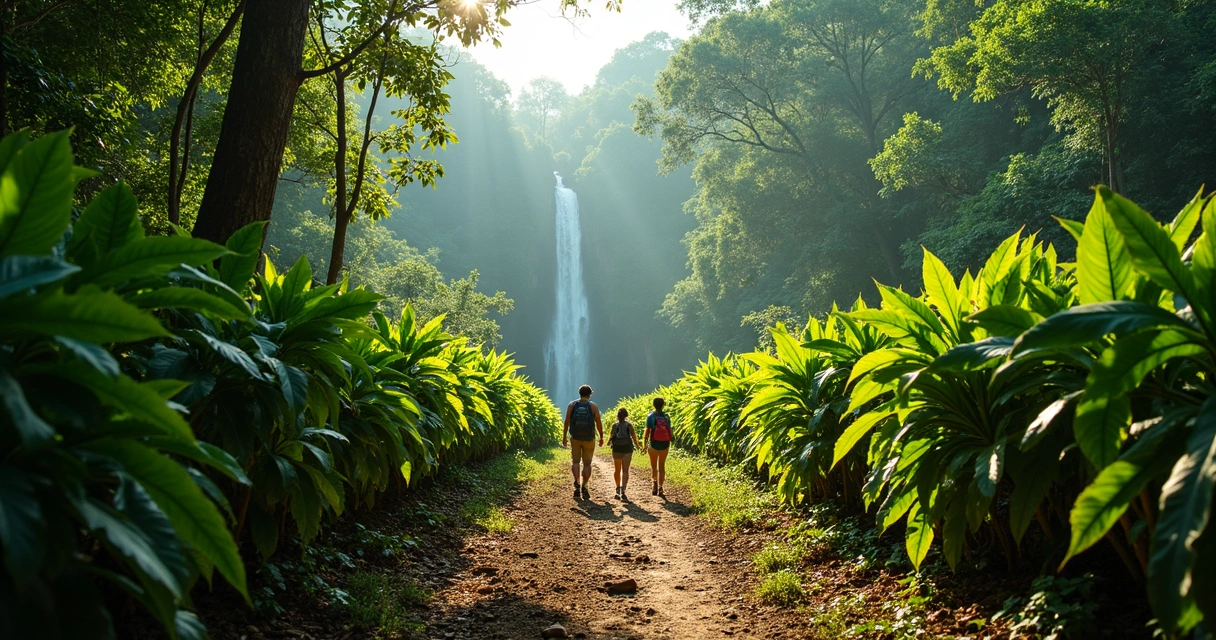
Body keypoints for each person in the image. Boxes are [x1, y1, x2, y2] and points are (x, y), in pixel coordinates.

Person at [563, 384, 603, 500]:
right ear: (590, 394)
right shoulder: (593, 406)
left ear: (579, 393)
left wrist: (564, 436)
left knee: (575, 461)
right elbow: (598, 423)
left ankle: (576, 482)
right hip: (589, 438)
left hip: (575, 437)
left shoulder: (572, 405)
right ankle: (585, 486)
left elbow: (566, 422)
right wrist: (601, 437)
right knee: (587, 463)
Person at [609, 407, 640, 501]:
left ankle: (617, 488)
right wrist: (638, 446)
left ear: (617, 416)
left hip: (617, 449)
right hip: (627, 449)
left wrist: (609, 442)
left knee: (617, 470)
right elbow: (634, 438)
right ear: (626, 416)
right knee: (625, 470)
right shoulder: (629, 425)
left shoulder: (614, 425)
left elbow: (611, 438)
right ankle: (623, 490)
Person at [643, 397, 673, 497]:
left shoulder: (650, 416)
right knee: (662, 466)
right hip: (665, 444)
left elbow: (647, 431)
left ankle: (654, 483)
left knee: (654, 466)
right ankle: (660, 487)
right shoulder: (667, 417)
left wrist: (645, 444)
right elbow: (670, 430)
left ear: (653, 405)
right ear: (663, 405)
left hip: (653, 444)